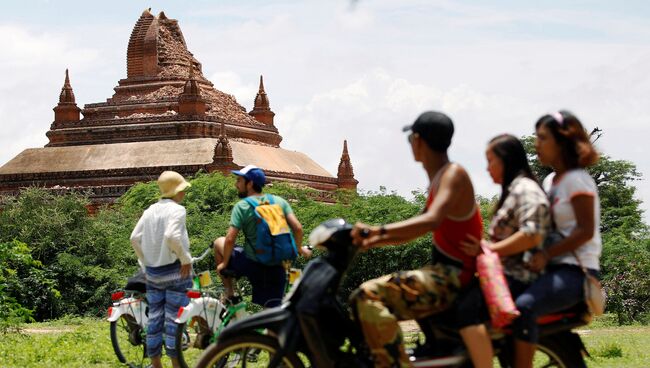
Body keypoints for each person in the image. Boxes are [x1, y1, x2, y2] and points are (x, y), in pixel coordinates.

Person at [350, 111, 483, 368]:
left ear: (419, 141)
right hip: (444, 273)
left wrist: (376, 230)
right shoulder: (439, 178)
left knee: (366, 295)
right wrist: (369, 242)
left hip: (451, 277)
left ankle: (392, 362)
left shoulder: (452, 175)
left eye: (411, 138)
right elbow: (416, 227)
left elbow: (431, 220)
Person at [514, 110, 601, 368]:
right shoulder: (551, 180)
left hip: (574, 271)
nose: (535, 144)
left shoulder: (578, 181)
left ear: (562, 141)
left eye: (542, 138)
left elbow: (585, 230)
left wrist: (546, 255)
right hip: (549, 268)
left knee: (524, 307)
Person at [455, 134, 550, 368]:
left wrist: (489, 249)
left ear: (506, 161)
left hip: (517, 277)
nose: (487, 168)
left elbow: (532, 234)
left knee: (464, 310)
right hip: (503, 274)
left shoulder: (526, 189)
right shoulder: (513, 190)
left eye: (491, 161)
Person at [214, 164, 312, 308]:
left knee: (218, 243)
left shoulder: (243, 206)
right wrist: (299, 249)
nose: (236, 184)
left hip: (252, 263)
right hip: (278, 265)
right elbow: (297, 228)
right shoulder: (279, 202)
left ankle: (229, 291)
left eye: (239, 181)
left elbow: (229, 240)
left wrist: (224, 263)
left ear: (250, 183)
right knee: (271, 312)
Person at [130, 171, 193, 368]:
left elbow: (134, 238)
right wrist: (185, 259)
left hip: (154, 273)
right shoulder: (177, 210)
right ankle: (176, 364)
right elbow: (172, 236)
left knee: (155, 319)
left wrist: (145, 262)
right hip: (175, 270)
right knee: (174, 320)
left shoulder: (150, 210)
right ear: (177, 191)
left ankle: (156, 364)